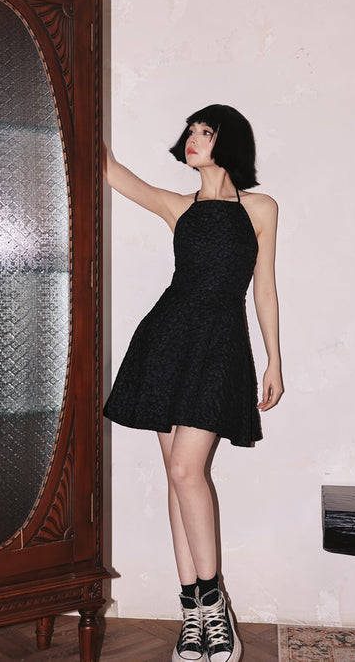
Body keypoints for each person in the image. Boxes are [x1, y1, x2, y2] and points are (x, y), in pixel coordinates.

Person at [103, 104, 283, 662]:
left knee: (186, 470)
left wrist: (274, 361)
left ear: (229, 142)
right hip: (166, 341)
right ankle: (194, 614)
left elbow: (265, 288)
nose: (192, 138)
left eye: (205, 131)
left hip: (220, 345)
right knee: (178, 475)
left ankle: (213, 605)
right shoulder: (178, 206)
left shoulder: (260, 208)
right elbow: (109, 170)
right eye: (190, 131)